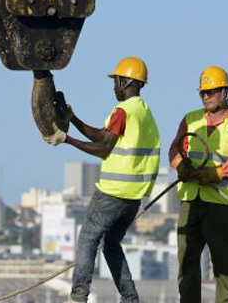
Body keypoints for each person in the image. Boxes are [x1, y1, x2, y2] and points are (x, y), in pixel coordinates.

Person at [43, 57, 161, 303]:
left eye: (115, 81)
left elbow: (103, 148)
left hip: (112, 192)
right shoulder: (144, 113)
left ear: (125, 81)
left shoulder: (123, 111)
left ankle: (78, 298)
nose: (113, 86)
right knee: (111, 244)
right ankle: (130, 299)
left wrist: (66, 139)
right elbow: (103, 135)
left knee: (87, 238)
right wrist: (73, 119)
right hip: (132, 198)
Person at [168, 66, 228, 303]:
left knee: (224, 269)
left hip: (220, 205)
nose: (207, 96)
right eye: (203, 92)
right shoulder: (190, 119)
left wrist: (215, 173)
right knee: (187, 266)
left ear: (226, 93)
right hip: (190, 202)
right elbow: (175, 148)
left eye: (213, 91)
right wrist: (180, 165)